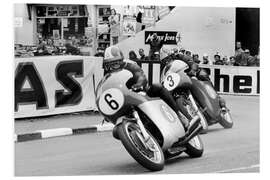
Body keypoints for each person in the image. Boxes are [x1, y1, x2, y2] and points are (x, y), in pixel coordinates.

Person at [103, 46, 190, 130]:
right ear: (106, 65)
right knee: (116, 131)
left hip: (139, 92)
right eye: (111, 64)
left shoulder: (130, 64)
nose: (114, 66)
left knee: (157, 87)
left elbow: (140, 74)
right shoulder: (107, 76)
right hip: (124, 101)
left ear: (121, 60)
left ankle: (179, 114)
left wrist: (139, 84)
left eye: (116, 63)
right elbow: (106, 91)